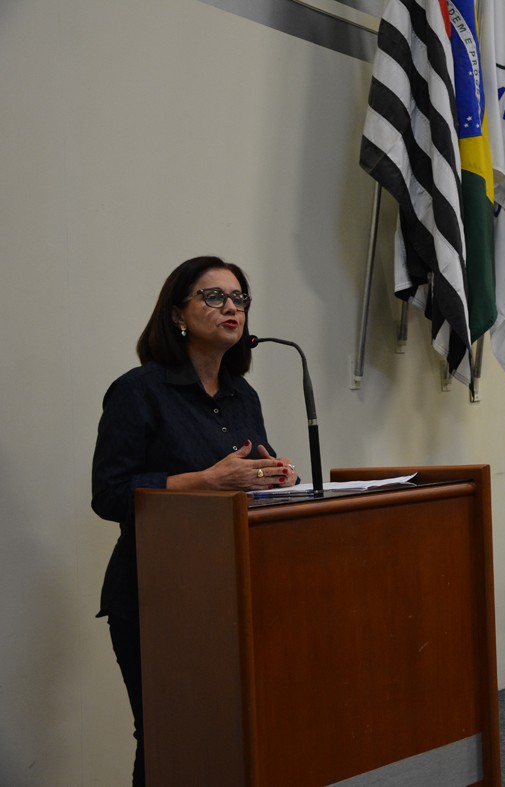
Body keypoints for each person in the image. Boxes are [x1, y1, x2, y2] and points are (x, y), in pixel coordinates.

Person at [91, 256, 298, 785]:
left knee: (228, 729)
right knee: (168, 733)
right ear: (177, 314)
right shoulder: (139, 390)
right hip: (157, 595)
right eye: (214, 296)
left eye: (239, 298)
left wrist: (276, 476)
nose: (232, 307)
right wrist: (204, 481)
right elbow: (109, 494)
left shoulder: (242, 395)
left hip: (232, 588)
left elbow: (247, 475)